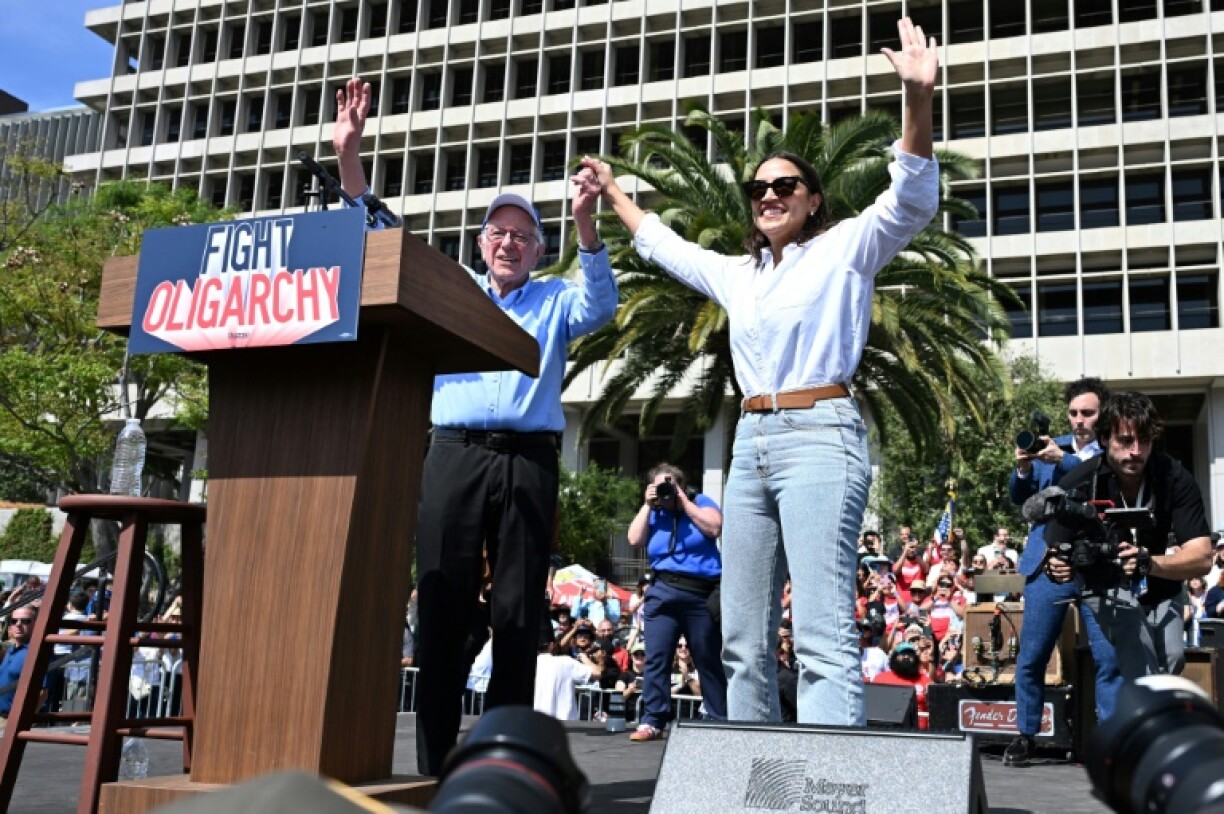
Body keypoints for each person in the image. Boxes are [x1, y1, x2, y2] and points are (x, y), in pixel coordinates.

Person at [582, 17, 939, 726]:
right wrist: (615, 192)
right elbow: (665, 246)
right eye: (758, 187)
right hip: (750, 447)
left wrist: (917, 100)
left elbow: (910, 200)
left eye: (786, 184)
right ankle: (750, 777)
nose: (769, 194)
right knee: (740, 636)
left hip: (820, 436)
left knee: (822, 633)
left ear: (812, 199)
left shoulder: (844, 249)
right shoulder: (738, 275)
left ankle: (832, 785)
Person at [330, 77, 620, 775]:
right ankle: (434, 766)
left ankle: (502, 765)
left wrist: (586, 222)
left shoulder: (557, 300)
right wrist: (349, 155)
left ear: (539, 248)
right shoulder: (449, 287)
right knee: (441, 605)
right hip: (454, 454)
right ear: (482, 241)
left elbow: (602, 305)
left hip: (528, 457)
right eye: (499, 233)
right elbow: (379, 234)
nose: (510, 244)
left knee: (518, 618)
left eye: (524, 236)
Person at [1005, 392, 1213, 767]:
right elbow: (1052, 538)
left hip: (1160, 578)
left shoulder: (1174, 475)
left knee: (1168, 661)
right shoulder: (1080, 475)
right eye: (1125, 441)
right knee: (1070, 655)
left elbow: (1201, 556)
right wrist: (1059, 563)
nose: (1136, 451)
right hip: (1101, 581)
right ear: (1106, 439)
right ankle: (1103, 743)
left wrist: (1151, 563)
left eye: (1144, 440)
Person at [624, 462, 727, 741]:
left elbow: (714, 527)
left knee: (707, 658)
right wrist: (647, 505)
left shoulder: (698, 501)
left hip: (700, 594)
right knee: (656, 657)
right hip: (662, 591)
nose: (666, 491)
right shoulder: (654, 512)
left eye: (671, 484)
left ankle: (718, 717)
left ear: (682, 485)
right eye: (661, 486)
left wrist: (682, 501)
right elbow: (634, 538)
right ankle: (653, 719)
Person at [1010, 377, 1111, 508]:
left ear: (1103, 414)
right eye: (1073, 413)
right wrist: (1024, 470)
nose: (1079, 420)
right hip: (1046, 527)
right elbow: (1019, 498)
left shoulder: (1110, 451)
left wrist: (1063, 459)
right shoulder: (1049, 447)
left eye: (1087, 413)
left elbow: (1098, 485)